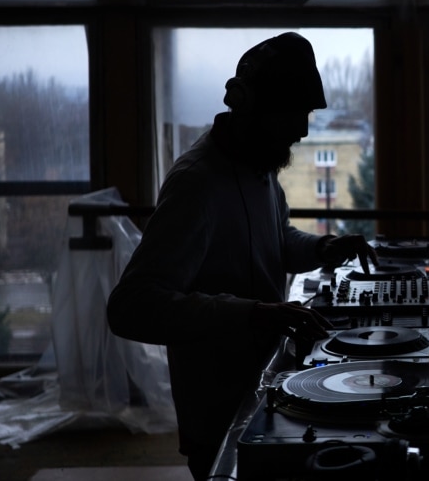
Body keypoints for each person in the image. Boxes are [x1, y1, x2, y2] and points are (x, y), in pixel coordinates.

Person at [107, 32, 377, 481]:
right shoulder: (196, 184)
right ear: (252, 108)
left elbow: (278, 240)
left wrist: (322, 248)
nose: (303, 131)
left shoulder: (261, 163)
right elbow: (130, 307)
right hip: (216, 412)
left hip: (266, 392)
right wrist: (254, 314)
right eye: (294, 116)